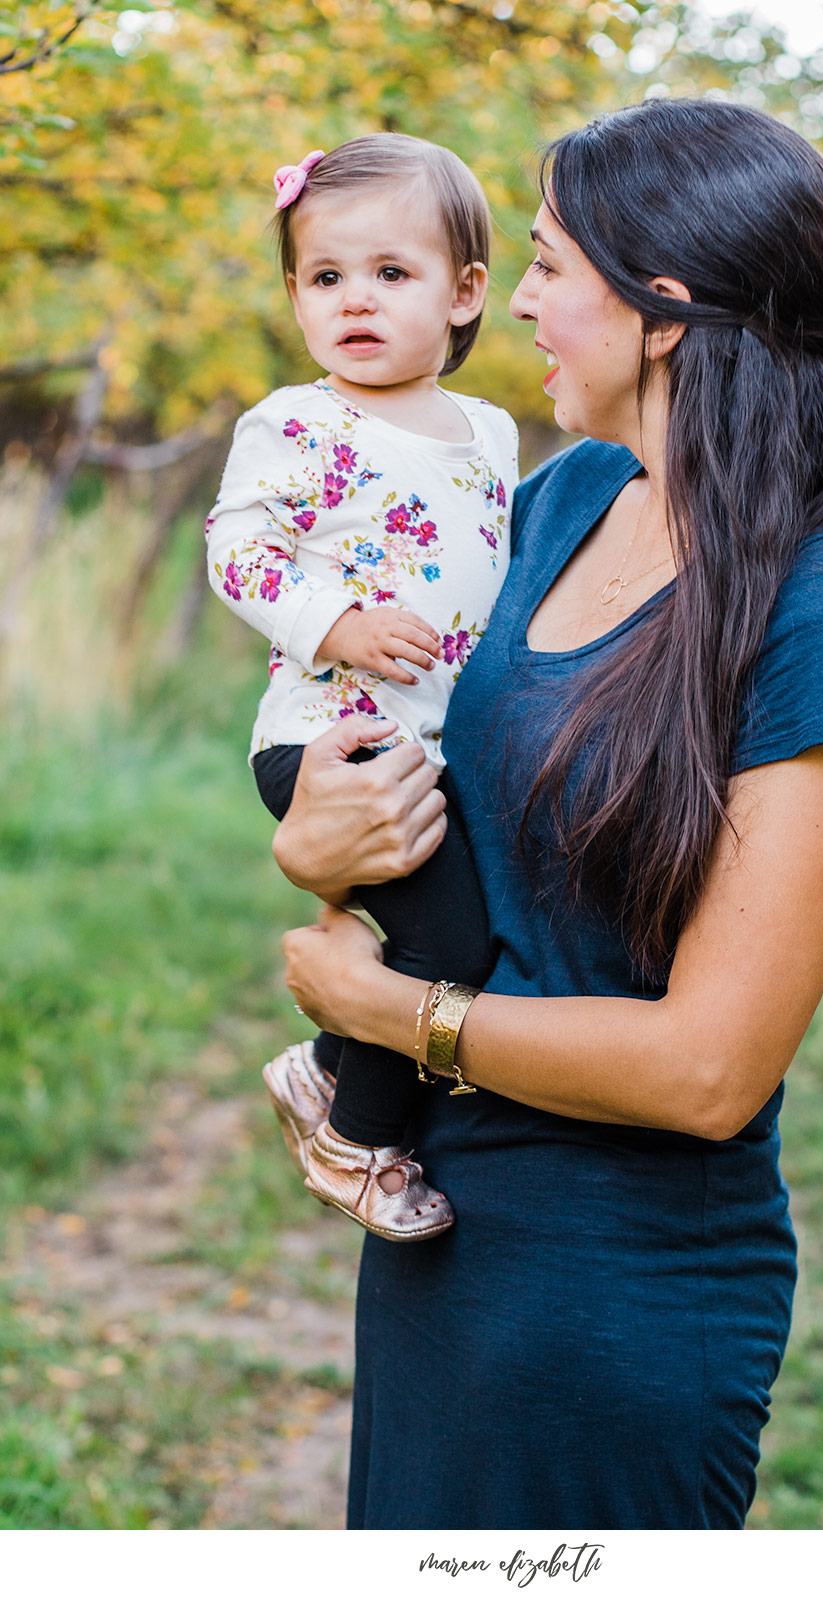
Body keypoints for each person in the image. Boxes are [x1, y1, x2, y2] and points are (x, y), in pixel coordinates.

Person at [273, 100, 823, 1529]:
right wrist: (317, 842)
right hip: (439, 1228)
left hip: (618, 1286)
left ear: (662, 309)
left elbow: (710, 1067)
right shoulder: (560, 504)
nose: (518, 302)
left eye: (546, 266)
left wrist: (395, 1019)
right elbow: (420, 776)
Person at [205, 135, 518, 1241]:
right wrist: (334, 621)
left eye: (392, 274)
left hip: (432, 743)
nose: (356, 302)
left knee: (470, 931)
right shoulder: (296, 422)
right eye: (325, 277)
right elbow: (236, 550)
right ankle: (357, 1140)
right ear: (294, 295)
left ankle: (327, 1068)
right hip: (330, 741)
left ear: (465, 291)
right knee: (448, 943)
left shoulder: (491, 432)